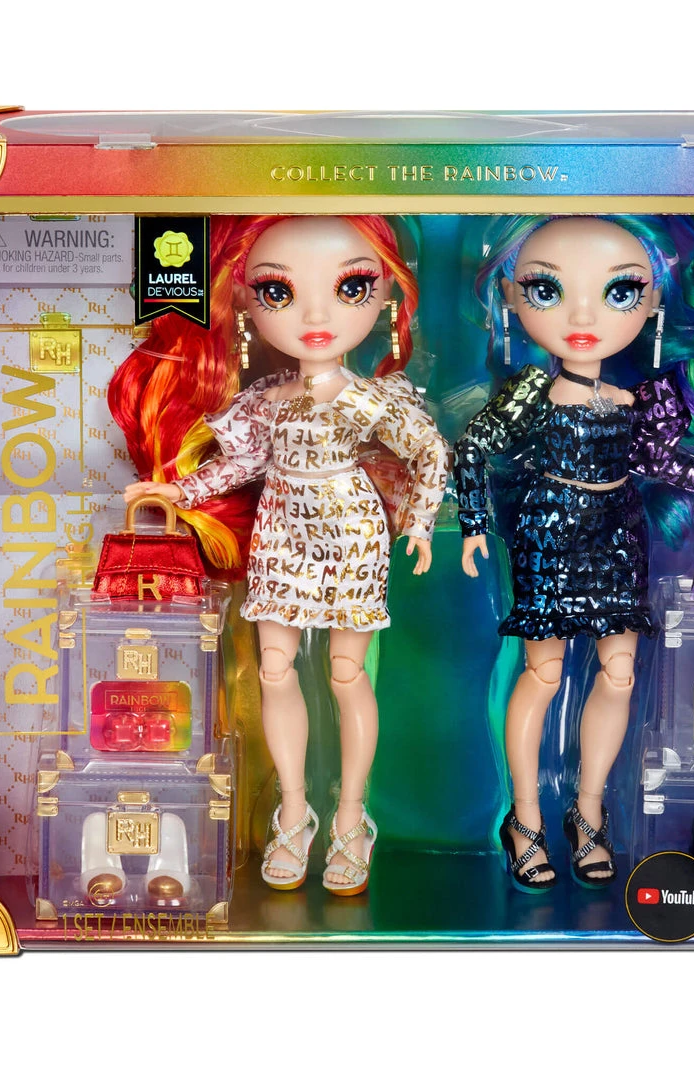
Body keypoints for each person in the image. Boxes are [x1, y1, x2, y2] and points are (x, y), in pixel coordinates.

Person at [454, 216, 694, 891]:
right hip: (550, 529)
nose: (583, 317)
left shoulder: (631, 401)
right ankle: (525, 818)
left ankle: (588, 811)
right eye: (547, 290)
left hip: (618, 531)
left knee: (619, 672)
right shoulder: (528, 395)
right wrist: (472, 525)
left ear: (653, 300)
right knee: (544, 673)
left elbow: (666, 465)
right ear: (511, 297)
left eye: (618, 292)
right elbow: (470, 450)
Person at [115, 215, 448, 895]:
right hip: (281, 530)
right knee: (274, 668)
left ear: (388, 293)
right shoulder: (266, 401)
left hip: (351, 531)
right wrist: (178, 490)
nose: (316, 316)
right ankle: (294, 811)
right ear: (244, 299)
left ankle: (351, 816)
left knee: (348, 675)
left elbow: (429, 452)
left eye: (350, 287)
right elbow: (241, 463)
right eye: (279, 292)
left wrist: (418, 523)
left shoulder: (368, 399)